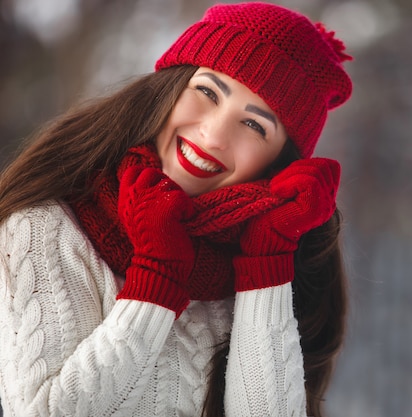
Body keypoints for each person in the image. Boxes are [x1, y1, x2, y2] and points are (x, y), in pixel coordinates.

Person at [0, 2, 352, 416]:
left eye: (255, 125)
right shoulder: (46, 226)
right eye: (207, 92)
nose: (214, 133)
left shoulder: (261, 266)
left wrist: (267, 263)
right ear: (169, 86)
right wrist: (157, 276)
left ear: (279, 162)